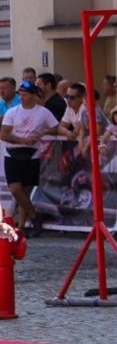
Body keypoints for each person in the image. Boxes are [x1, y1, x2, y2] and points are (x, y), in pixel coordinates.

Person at [2, 81, 63, 236]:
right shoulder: (12, 112)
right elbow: (3, 134)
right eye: (20, 95)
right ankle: (35, 216)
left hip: (32, 155)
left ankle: (21, 228)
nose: (22, 97)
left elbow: (55, 126)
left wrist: (42, 133)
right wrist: (22, 140)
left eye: (25, 95)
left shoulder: (43, 112)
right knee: (15, 189)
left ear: (33, 96)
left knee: (25, 192)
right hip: (13, 153)